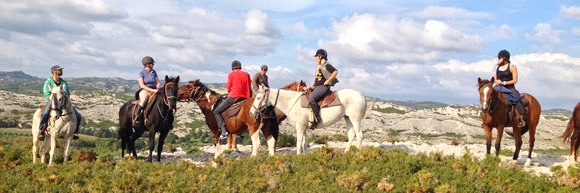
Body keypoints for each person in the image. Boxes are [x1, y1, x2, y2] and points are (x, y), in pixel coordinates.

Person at [37, 65, 82, 140]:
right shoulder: (48, 82)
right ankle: (41, 130)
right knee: (44, 113)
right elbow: (46, 93)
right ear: (54, 72)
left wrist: (65, 99)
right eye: (59, 70)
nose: (61, 71)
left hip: (63, 102)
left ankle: (75, 131)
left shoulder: (64, 82)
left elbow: (67, 93)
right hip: (53, 101)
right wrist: (53, 98)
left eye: (60, 70)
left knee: (78, 115)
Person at [213, 60, 252, 138]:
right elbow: (249, 84)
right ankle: (242, 131)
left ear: (233, 67)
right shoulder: (246, 74)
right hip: (245, 97)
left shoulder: (231, 74)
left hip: (234, 96)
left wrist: (229, 91)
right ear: (240, 67)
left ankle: (224, 131)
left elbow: (228, 87)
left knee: (216, 112)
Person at [305, 49, 338, 128]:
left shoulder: (326, 65)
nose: (316, 58)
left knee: (311, 99)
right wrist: (309, 87)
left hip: (323, 87)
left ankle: (317, 118)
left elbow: (335, 71)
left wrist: (328, 81)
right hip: (317, 86)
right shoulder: (319, 66)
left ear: (320, 57)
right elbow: (316, 79)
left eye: (316, 57)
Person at [493, 49, 526, 127]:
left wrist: (503, 83)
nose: (498, 59)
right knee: (489, 97)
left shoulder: (512, 67)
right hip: (499, 87)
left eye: (499, 57)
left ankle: (520, 118)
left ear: (504, 58)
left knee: (516, 98)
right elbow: (496, 78)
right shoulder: (498, 68)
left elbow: (515, 80)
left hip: (509, 88)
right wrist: (496, 80)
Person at [135, 56, 161, 124]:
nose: (153, 65)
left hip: (154, 89)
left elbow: (157, 82)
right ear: (147, 64)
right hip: (145, 90)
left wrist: (158, 87)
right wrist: (152, 90)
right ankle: (137, 116)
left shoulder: (154, 72)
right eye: (152, 64)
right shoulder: (142, 73)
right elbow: (142, 85)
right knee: (143, 100)